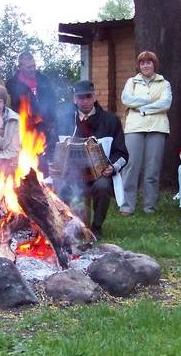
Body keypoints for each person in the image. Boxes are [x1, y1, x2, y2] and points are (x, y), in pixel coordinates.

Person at [55, 80, 128, 239]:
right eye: (81, 97)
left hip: (99, 174)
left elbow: (122, 153)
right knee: (58, 184)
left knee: (102, 186)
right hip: (71, 174)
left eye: (88, 97)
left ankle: (96, 227)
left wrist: (112, 167)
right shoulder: (64, 121)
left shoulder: (110, 120)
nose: (85, 101)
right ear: (75, 99)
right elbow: (53, 147)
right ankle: (66, 226)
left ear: (94, 97)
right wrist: (55, 163)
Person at [119, 50, 172, 215]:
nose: (146, 65)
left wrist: (142, 108)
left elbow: (166, 103)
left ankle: (150, 206)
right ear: (138, 65)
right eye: (142, 63)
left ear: (154, 64)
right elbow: (126, 99)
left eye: (149, 62)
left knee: (152, 169)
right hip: (134, 128)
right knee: (131, 166)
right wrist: (150, 101)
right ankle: (127, 205)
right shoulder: (131, 82)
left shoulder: (164, 83)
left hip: (157, 127)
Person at [6, 51, 58, 172]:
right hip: (23, 129)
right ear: (20, 67)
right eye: (29, 67)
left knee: (43, 161)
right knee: (25, 160)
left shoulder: (43, 79)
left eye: (34, 65)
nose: (32, 69)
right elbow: (11, 106)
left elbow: (52, 101)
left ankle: (43, 184)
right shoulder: (11, 84)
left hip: (44, 128)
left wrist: (51, 120)